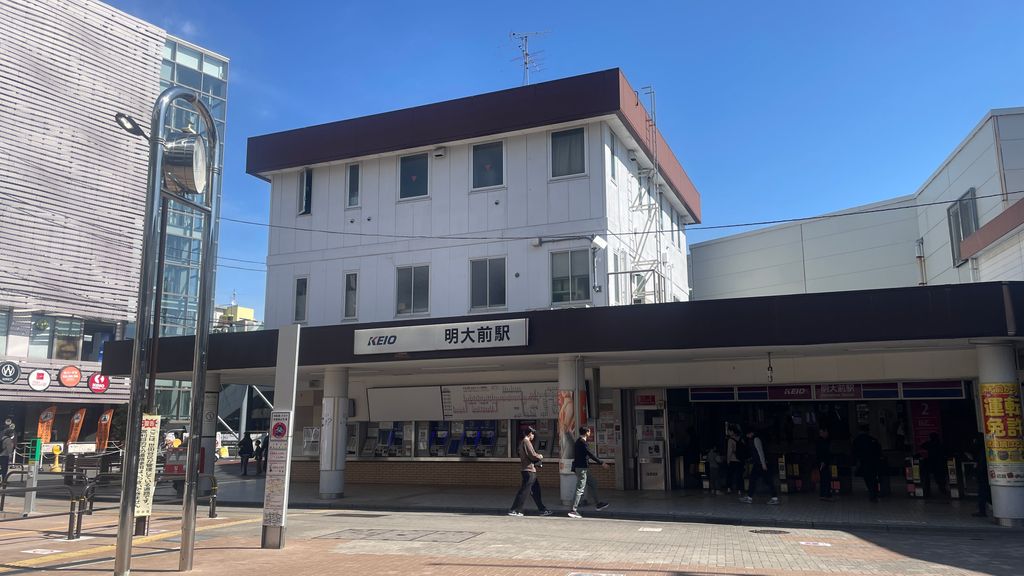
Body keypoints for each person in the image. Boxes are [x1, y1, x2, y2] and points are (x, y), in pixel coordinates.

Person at [508, 426, 553, 516]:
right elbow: (532, 455)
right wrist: (539, 456)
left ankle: (542, 509)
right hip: (529, 470)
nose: (533, 436)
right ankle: (515, 510)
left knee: (535, 490)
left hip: (529, 469)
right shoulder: (526, 442)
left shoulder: (524, 442)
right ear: (530, 434)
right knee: (525, 490)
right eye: (533, 434)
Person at [568, 426, 610, 518]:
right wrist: (602, 463)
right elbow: (591, 455)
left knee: (593, 483)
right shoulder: (583, 443)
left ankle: (598, 504)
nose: (590, 433)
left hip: (582, 468)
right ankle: (573, 510)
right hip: (582, 469)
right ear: (586, 432)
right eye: (589, 431)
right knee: (580, 488)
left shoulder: (578, 442)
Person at [740, 428, 778, 504]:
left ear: (751, 433)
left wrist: (763, 464)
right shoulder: (753, 440)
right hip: (759, 463)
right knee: (757, 479)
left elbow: (760, 452)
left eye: (747, 434)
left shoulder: (756, 439)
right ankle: (750, 497)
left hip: (760, 464)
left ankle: (774, 498)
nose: (747, 436)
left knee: (765, 480)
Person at [852, 425, 882, 502]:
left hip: (863, 462)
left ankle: (872, 493)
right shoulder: (872, 440)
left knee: (868, 478)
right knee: (873, 478)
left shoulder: (857, 441)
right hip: (873, 462)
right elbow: (879, 451)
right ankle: (874, 493)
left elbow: (854, 452)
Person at [969, 433, 990, 518]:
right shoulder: (983, 449)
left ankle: (982, 510)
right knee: (985, 492)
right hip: (985, 474)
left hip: (983, 475)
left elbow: (981, 464)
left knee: (983, 492)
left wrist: (977, 473)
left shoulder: (982, 451)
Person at [920, 432, 948, 497]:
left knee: (927, 476)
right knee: (940, 477)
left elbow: (922, 445)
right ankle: (942, 489)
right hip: (940, 463)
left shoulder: (929, 444)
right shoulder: (940, 444)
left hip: (932, 463)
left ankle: (927, 491)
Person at [725, 425, 745, 494]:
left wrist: (728, 460)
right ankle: (739, 490)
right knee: (739, 475)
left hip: (733, 460)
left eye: (729, 431)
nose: (728, 432)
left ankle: (729, 488)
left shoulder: (730, 440)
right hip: (740, 460)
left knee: (730, 475)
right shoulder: (741, 438)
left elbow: (729, 451)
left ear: (732, 431)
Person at [816, 427, 833, 501]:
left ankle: (823, 494)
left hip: (823, 462)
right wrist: (823, 461)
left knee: (824, 478)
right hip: (823, 462)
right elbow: (822, 452)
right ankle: (826, 494)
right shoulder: (822, 442)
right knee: (825, 478)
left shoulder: (822, 441)